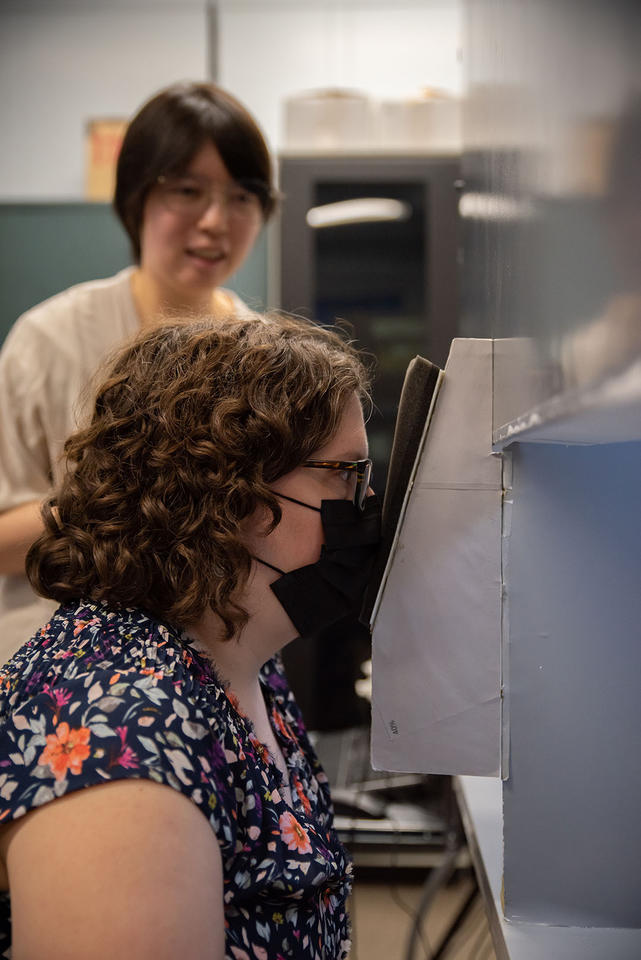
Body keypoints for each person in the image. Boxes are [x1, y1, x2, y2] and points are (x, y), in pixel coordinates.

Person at [0, 312, 380, 959]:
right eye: (344, 473)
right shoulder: (119, 740)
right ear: (230, 490)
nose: (364, 504)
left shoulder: (236, 659)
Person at [0, 81, 278, 658]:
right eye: (187, 190)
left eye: (242, 196)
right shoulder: (49, 339)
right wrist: (132, 492)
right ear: (136, 199)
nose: (215, 221)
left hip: (216, 669)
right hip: (63, 680)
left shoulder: (268, 366)